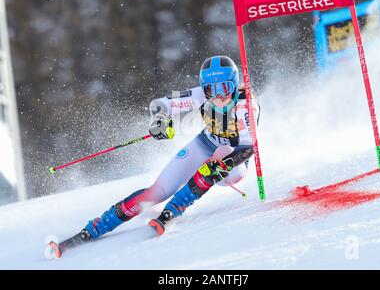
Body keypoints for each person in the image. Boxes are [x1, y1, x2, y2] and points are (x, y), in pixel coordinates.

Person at [67, 56, 260, 244]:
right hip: (204, 144)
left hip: (235, 164)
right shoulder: (200, 96)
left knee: (221, 155)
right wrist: (160, 120)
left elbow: (248, 148)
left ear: (235, 84)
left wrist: (225, 163)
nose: (218, 97)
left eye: (225, 88)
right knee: (157, 192)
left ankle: (175, 208)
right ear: (204, 88)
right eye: (211, 89)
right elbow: (159, 104)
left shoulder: (246, 105)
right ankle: (101, 224)